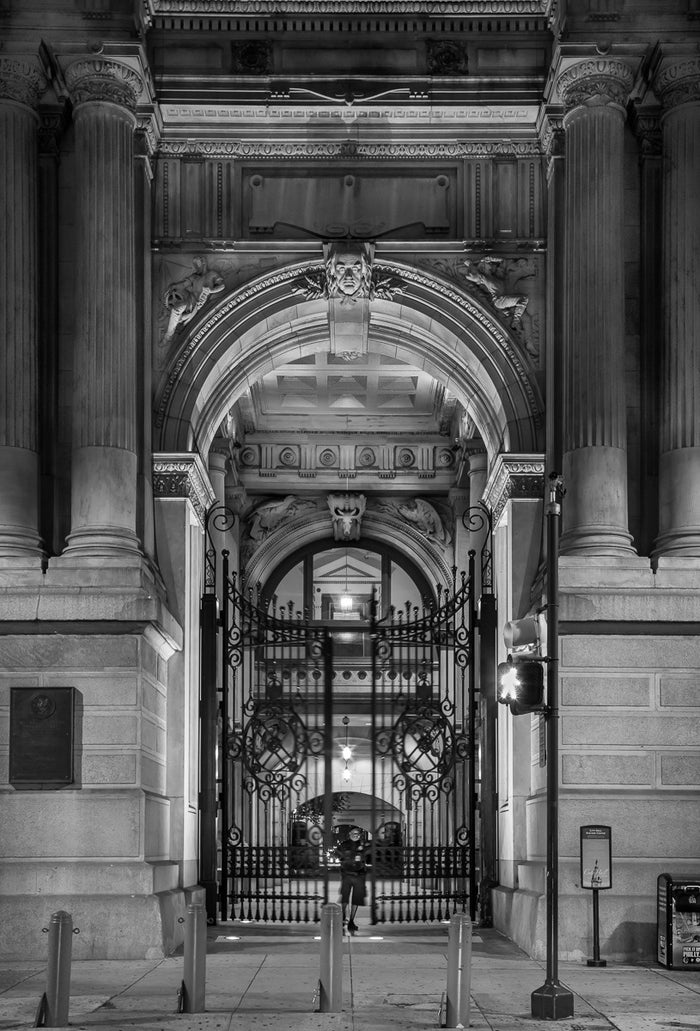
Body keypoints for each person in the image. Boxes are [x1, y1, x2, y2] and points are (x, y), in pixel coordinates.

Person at [335, 827, 369, 934]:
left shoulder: (363, 845)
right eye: (354, 833)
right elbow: (337, 854)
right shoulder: (344, 844)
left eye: (358, 834)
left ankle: (351, 921)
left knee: (357, 898)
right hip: (347, 874)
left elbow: (368, 856)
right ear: (349, 834)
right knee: (345, 896)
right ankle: (343, 917)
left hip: (359, 875)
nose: (356, 835)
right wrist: (344, 859)